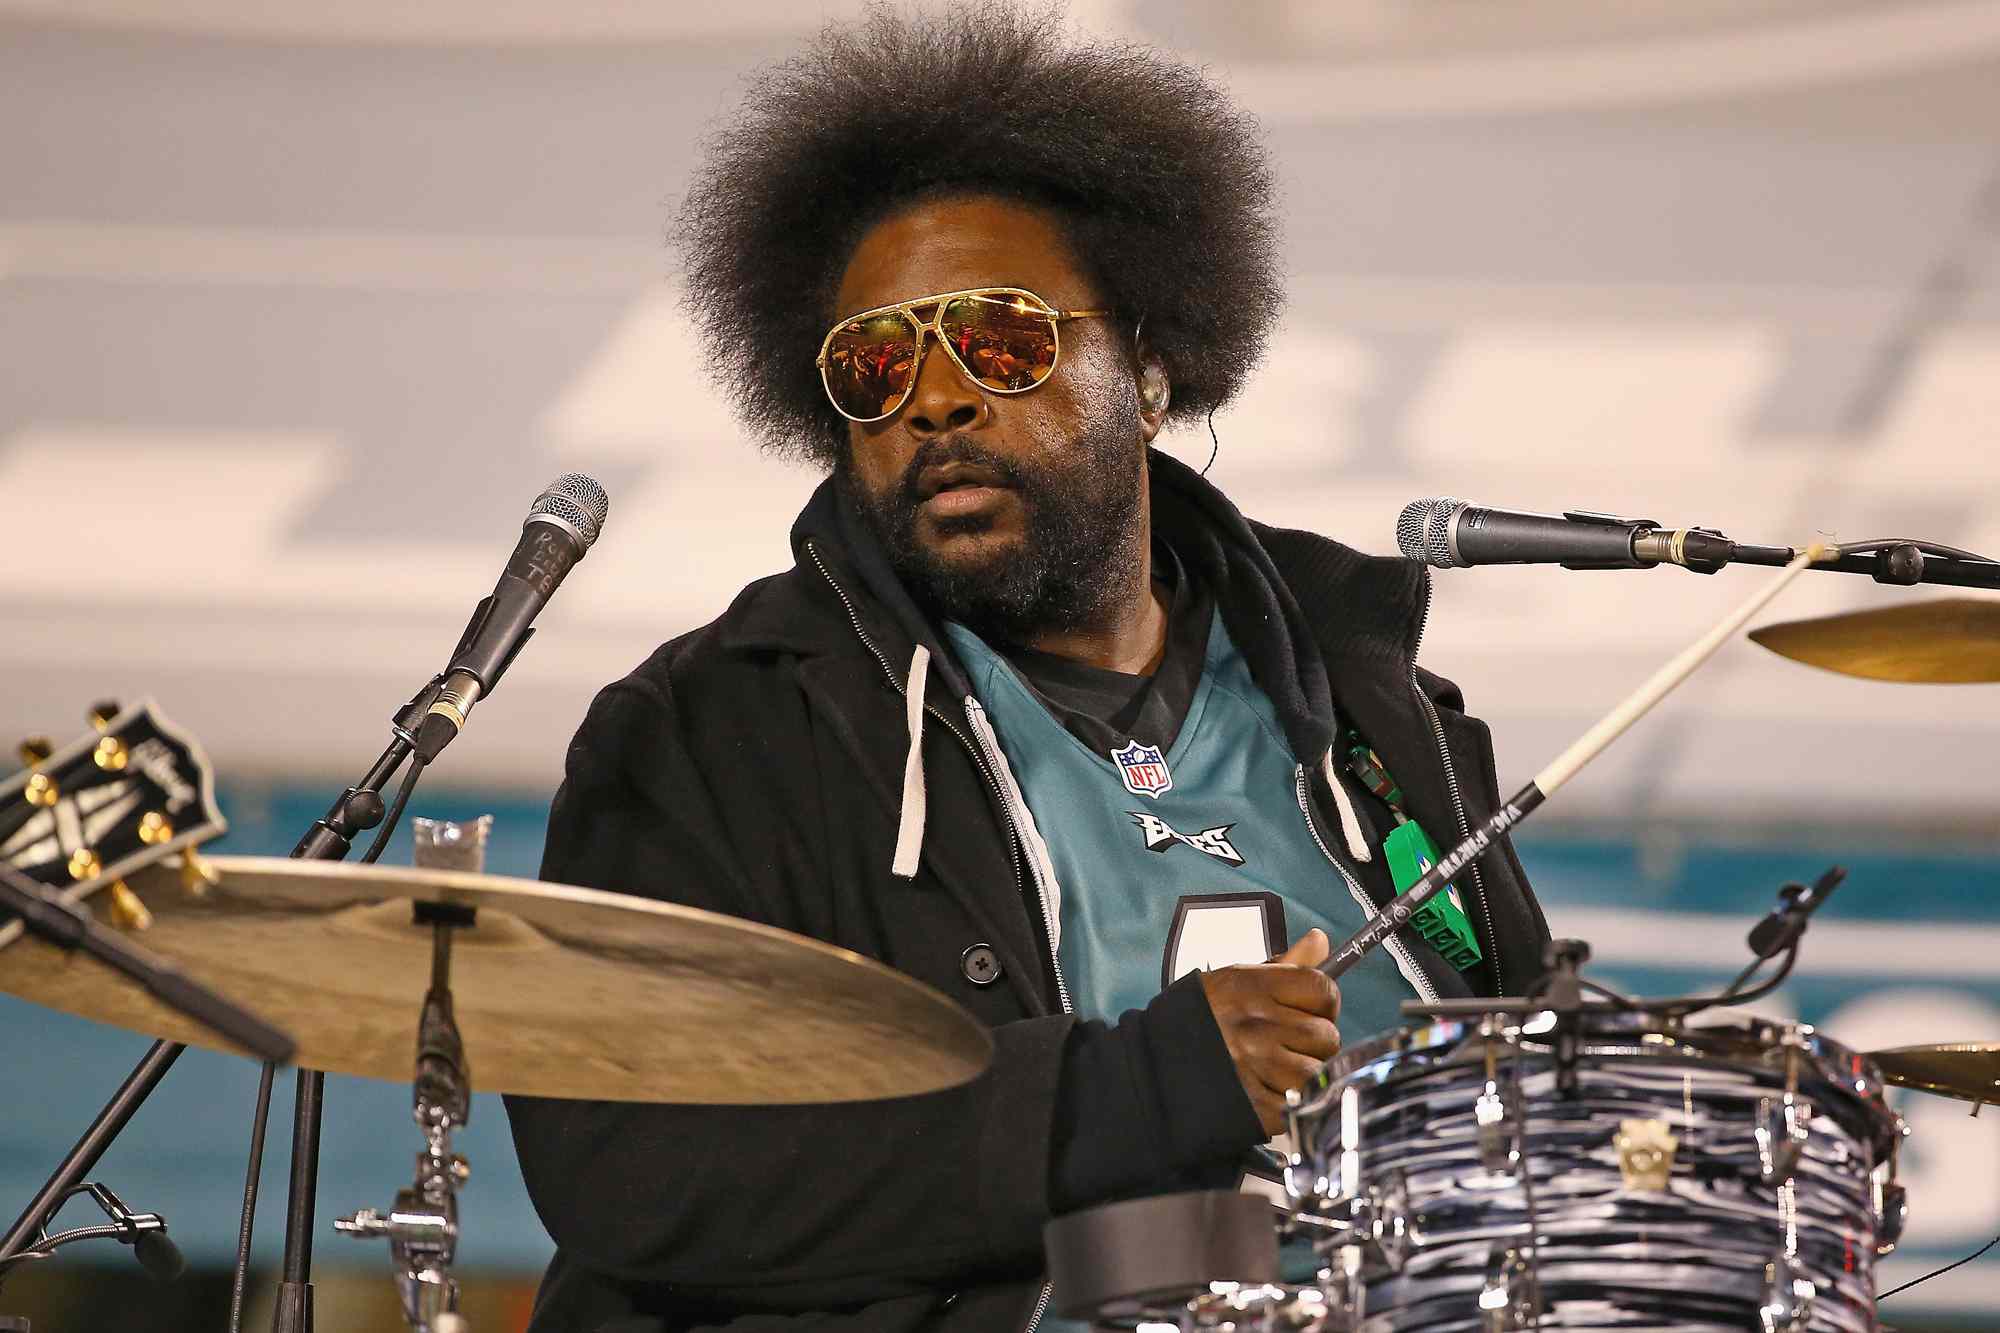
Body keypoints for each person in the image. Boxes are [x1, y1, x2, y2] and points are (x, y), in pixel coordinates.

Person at [505, 8, 1550, 1331]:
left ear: (1154, 368)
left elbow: (1528, 1075)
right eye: (876, 365)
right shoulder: (716, 731)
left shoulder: (1380, 715)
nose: (934, 399)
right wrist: (1128, 1092)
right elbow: (635, 1166)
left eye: (1001, 343)